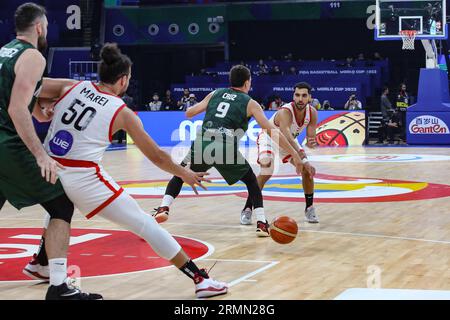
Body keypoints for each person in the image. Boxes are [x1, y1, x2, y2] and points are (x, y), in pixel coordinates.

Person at [31, 43, 228, 299]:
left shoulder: (71, 85)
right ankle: (200, 279)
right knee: (144, 223)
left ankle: (41, 264)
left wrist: (39, 112)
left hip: (48, 168)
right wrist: (184, 173)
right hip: (83, 178)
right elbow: (156, 156)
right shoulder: (122, 112)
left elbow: (29, 84)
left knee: (60, 212)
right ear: (123, 80)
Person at [0, 2, 102, 300]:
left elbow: (20, 100)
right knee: (61, 206)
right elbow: (16, 108)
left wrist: (40, 111)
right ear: (40, 27)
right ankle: (58, 285)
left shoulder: (4, 52)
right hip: (7, 143)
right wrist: (41, 154)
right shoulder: (32, 55)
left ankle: (43, 267)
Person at [153, 65, 310, 237]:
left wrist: (210, 106)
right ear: (247, 82)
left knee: (180, 174)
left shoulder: (215, 93)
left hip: (203, 143)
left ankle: (164, 207)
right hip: (225, 146)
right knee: (251, 182)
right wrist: (294, 153)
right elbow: (271, 130)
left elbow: (189, 113)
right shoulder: (251, 103)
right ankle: (261, 223)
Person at [241, 82, 319, 224]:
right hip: (270, 138)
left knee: (307, 171)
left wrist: (311, 143)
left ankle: (309, 208)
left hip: (287, 143)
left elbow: (310, 139)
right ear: (293, 96)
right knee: (267, 169)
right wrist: (302, 157)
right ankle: (248, 208)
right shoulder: (285, 112)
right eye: (297, 95)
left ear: (310, 98)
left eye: (304, 95)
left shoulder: (312, 112)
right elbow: (287, 135)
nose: (300, 99)